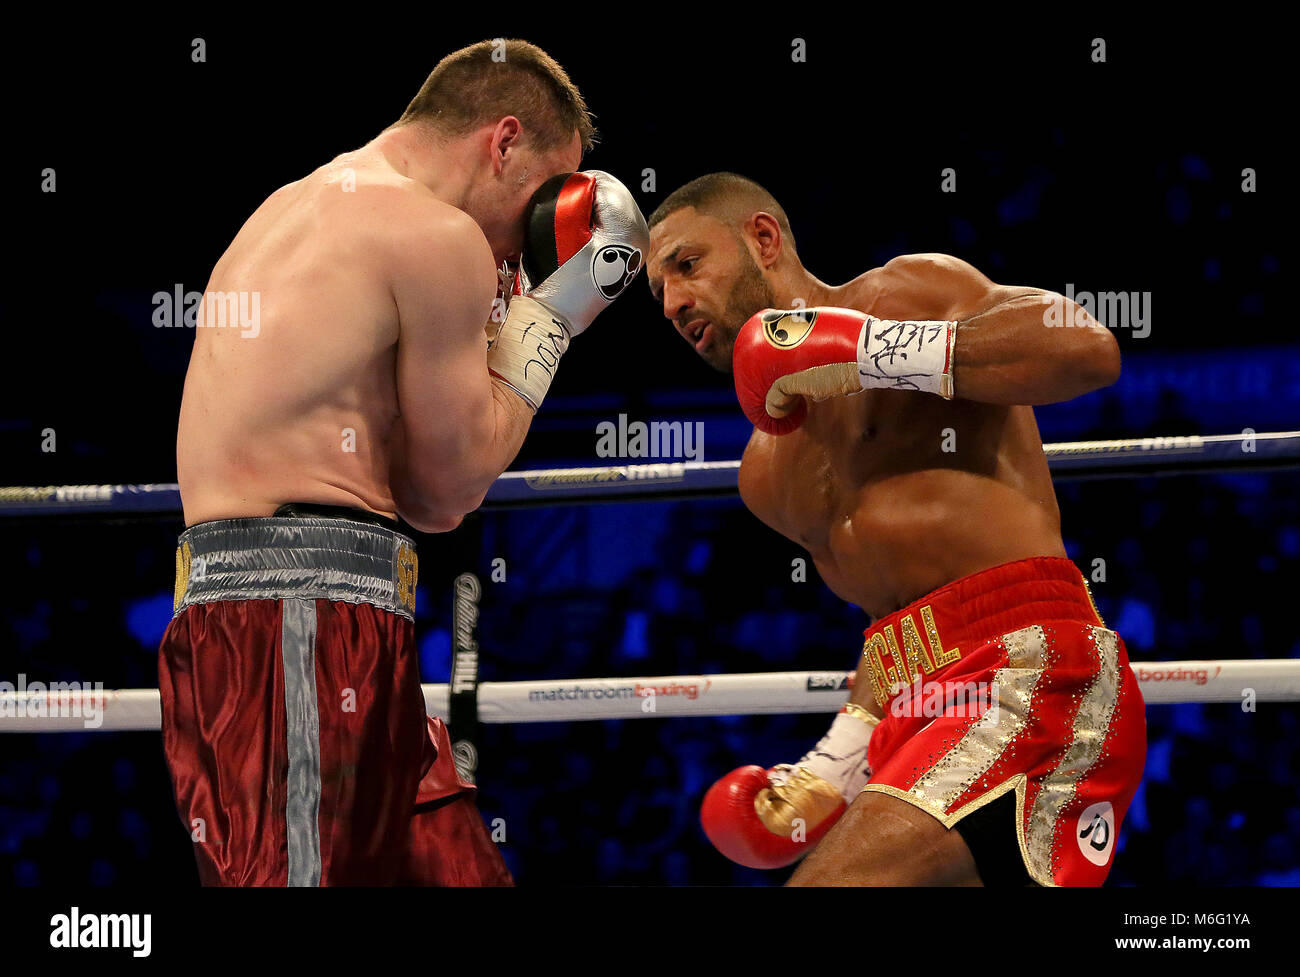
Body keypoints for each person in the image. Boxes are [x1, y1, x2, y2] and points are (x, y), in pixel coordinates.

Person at [161, 38, 648, 885]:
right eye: (546, 198)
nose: (539, 235)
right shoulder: (435, 237)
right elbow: (448, 491)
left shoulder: (289, 206)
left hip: (299, 618)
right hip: (299, 626)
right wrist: (547, 325)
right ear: (502, 143)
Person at [646, 172, 1145, 886]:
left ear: (763, 239)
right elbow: (897, 626)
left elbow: (1088, 349)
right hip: (913, 718)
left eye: (686, 265)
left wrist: (875, 351)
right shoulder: (765, 473)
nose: (672, 302)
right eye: (658, 294)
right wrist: (834, 763)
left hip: (1032, 674)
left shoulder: (902, 294)